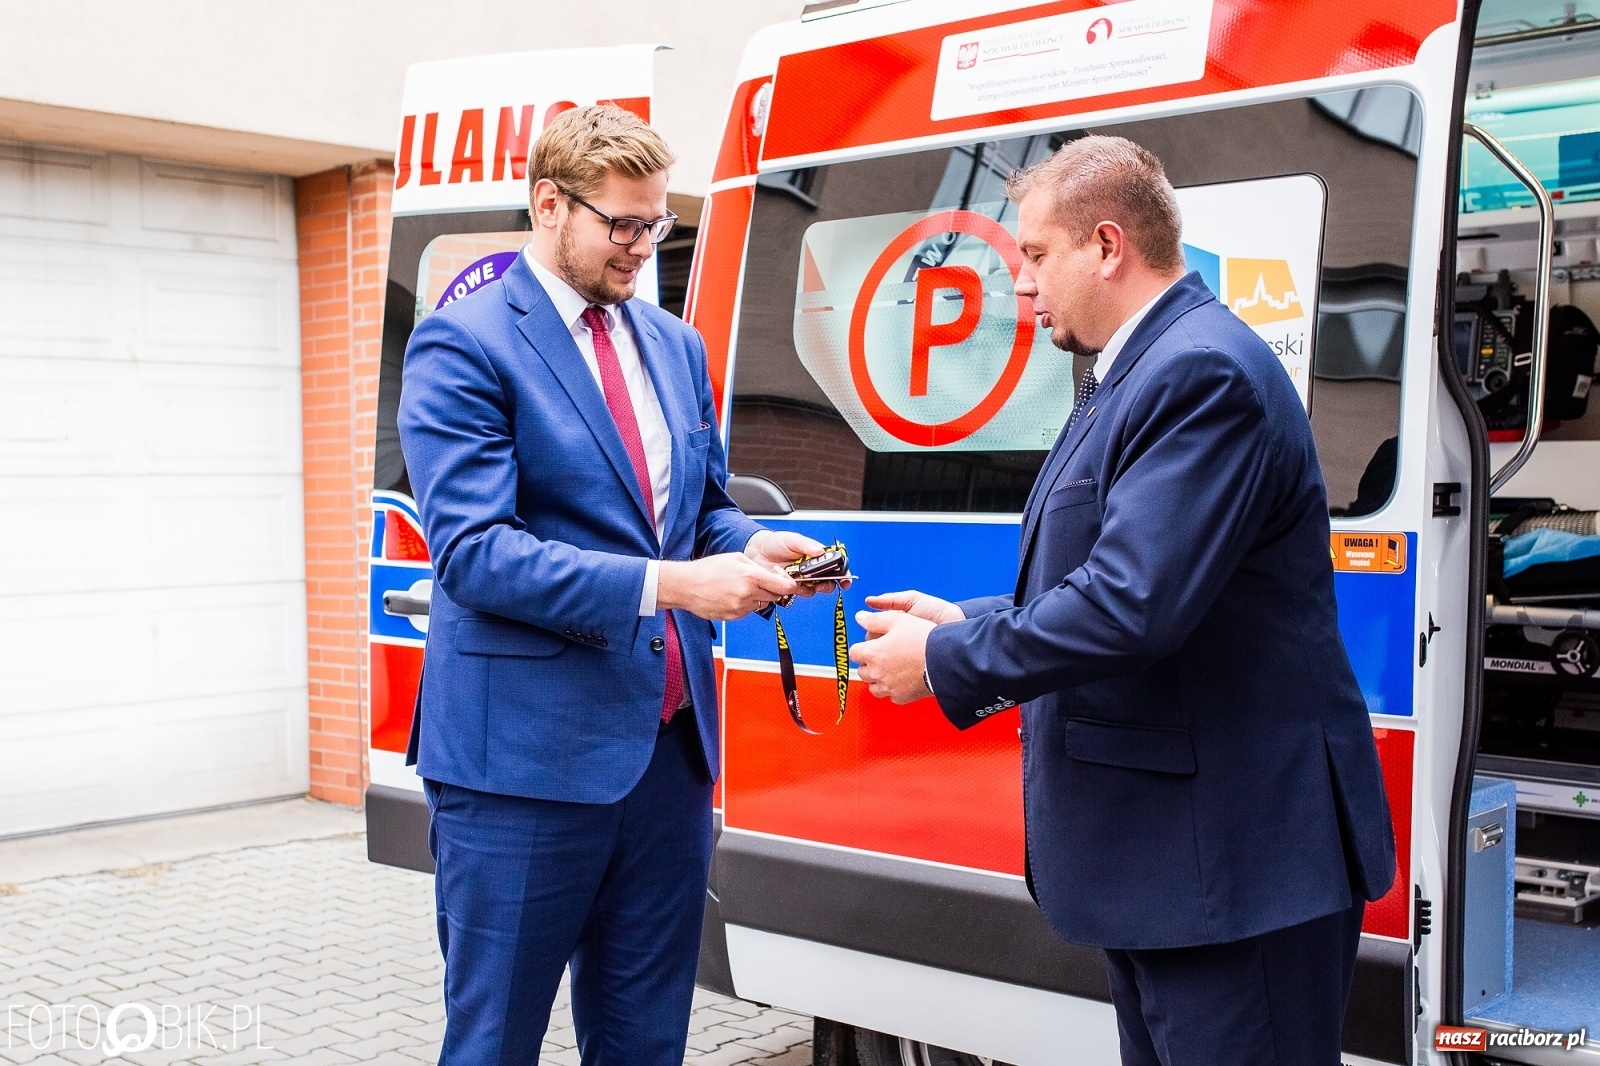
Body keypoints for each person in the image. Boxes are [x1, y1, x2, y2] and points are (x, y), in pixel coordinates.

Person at [848, 135, 1396, 1066]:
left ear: (1107, 246)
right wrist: (970, 620)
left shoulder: (1198, 372)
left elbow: (1132, 605)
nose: (1019, 283)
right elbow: (1115, 573)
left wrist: (945, 663)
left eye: (1034, 254)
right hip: (1179, 873)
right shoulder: (1143, 366)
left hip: (1231, 875)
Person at [398, 105, 828, 1066]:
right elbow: (475, 553)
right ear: (550, 205)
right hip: (520, 767)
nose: (643, 248)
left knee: (646, 1042)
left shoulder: (674, 345)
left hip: (668, 760)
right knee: (495, 1042)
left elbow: (700, 509)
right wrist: (676, 586)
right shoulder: (463, 344)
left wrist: (758, 546)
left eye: (658, 225)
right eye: (623, 225)